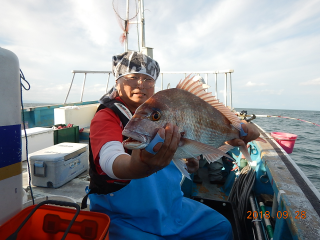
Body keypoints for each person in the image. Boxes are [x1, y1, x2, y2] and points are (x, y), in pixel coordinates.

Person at [84, 51, 259, 239]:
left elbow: (187, 148)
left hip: (170, 208)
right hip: (124, 216)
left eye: (148, 79)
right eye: (133, 77)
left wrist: (189, 161)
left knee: (221, 228)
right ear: (117, 81)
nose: (140, 84)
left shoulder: (165, 107)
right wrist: (137, 167)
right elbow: (111, 159)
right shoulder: (107, 116)